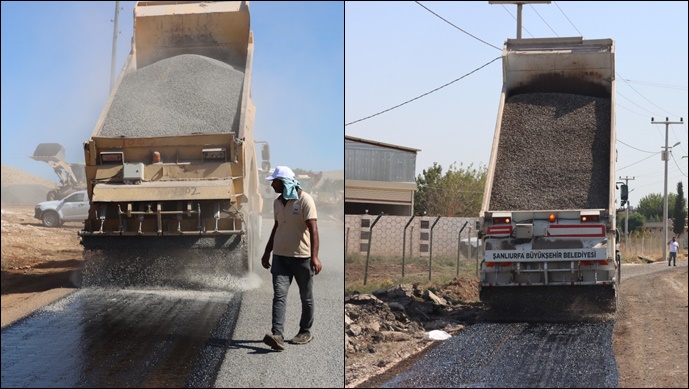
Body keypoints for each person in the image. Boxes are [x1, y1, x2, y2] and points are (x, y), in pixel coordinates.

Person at [261, 166, 322, 351]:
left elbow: (313, 230)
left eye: (275, 181)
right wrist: (267, 251)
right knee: (279, 295)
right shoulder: (277, 203)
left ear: (285, 182)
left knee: (306, 297)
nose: (272, 184)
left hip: (302, 258)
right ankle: (277, 335)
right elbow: (276, 228)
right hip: (280, 258)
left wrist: (315, 257)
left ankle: (305, 331)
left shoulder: (305, 200)